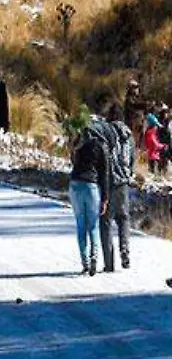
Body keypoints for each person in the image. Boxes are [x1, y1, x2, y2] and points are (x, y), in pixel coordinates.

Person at [93, 100, 135, 272]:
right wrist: (128, 174)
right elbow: (132, 159)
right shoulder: (129, 135)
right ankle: (125, 250)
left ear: (110, 116)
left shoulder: (106, 131)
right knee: (124, 218)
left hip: (109, 182)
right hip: (124, 183)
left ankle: (109, 263)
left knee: (106, 221)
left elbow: (102, 157)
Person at [68, 122, 109, 276]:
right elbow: (104, 175)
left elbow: (73, 162)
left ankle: (84, 262)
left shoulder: (78, 145)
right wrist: (105, 198)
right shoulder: (100, 147)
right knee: (93, 225)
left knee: (80, 225)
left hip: (75, 185)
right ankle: (94, 259)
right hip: (91, 186)